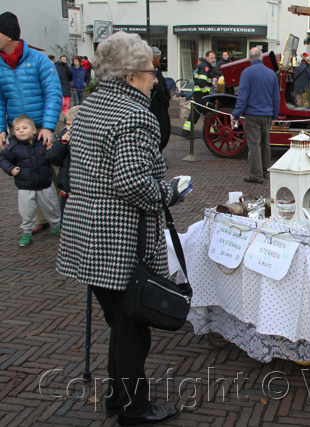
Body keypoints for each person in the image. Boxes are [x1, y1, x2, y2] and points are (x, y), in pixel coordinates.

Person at [56, 31, 187, 425]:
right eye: (151, 71)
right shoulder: (133, 115)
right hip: (120, 240)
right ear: (131, 76)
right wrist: (170, 192)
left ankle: (118, 398)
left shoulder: (92, 105)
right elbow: (131, 183)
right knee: (133, 329)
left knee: (120, 322)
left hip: (87, 234)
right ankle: (134, 408)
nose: (155, 79)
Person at [0, 11, 62, 149]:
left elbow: (53, 93)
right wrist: (1, 129)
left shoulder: (39, 60)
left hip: (42, 128)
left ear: (8, 36)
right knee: (22, 169)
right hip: (17, 131)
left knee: (53, 168)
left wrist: (48, 126)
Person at [0, 116, 61, 247]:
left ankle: (56, 225)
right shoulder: (13, 147)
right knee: (26, 210)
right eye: (17, 129)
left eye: (24, 128)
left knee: (49, 207)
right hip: (25, 185)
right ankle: (27, 231)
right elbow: (3, 159)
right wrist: (11, 169)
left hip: (44, 184)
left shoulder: (41, 143)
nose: (21, 131)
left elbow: (53, 157)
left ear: (33, 130)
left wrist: (51, 150)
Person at [231, 47, 280, 184]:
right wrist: (274, 115)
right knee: (265, 144)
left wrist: (236, 113)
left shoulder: (247, 73)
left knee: (254, 145)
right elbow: (276, 97)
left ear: (249, 58)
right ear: (262, 57)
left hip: (252, 115)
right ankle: (264, 171)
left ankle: (256, 175)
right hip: (267, 115)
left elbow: (243, 96)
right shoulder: (271, 74)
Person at [46, 105, 80, 220]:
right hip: (66, 188)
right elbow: (52, 157)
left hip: (80, 191)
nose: (68, 128)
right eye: (67, 124)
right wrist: (62, 144)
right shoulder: (63, 137)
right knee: (66, 218)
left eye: (71, 124)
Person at [181, 50, 216, 137]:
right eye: (211, 58)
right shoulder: (205, 67)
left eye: (214, 58)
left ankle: (186, 131)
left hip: (198, 93)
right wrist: (206, 93)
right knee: (206, 111)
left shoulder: (203, 66)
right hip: (202, 93)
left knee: (196, 112)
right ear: (206, 57)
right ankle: (211, 132)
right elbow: (201, 82)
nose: (213, 60)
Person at [149, 47, 171, 152]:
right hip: (157, 106)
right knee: (160, 129)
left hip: (154, 105)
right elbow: (160, 89)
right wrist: (166, 99)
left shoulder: (154, 72)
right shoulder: (155, 73)